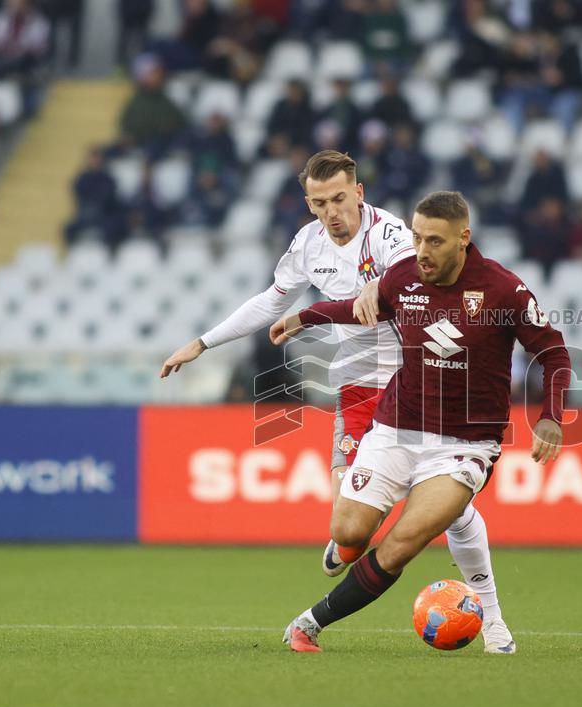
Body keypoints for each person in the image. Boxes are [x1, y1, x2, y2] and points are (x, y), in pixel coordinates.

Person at [159, 153, 519, 653]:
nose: (332, 212)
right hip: (354, 385)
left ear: (359, 193)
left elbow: (419, 275)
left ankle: (494, 621)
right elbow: (270, 301)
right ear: (308, 204)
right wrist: (202, 342)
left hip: (413, 382)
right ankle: (350, 537)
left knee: (452, 510)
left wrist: (379, 284)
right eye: (319, 203)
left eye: (340, 199)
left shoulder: (393, 236)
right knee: (347, 533)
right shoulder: (307, 245)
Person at [269, 190, 571, 653]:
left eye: (434, 241)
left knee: (401, 543)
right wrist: (304, 317)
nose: (422, 251)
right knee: (348, 532)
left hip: (465, 442)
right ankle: (453, 512)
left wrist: (551, 416)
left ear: (463, 239)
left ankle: (309, 623)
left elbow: (552, 352)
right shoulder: (404, 276)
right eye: (416, 238)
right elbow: (360, 309)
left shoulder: (503, 289)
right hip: (395, 428)